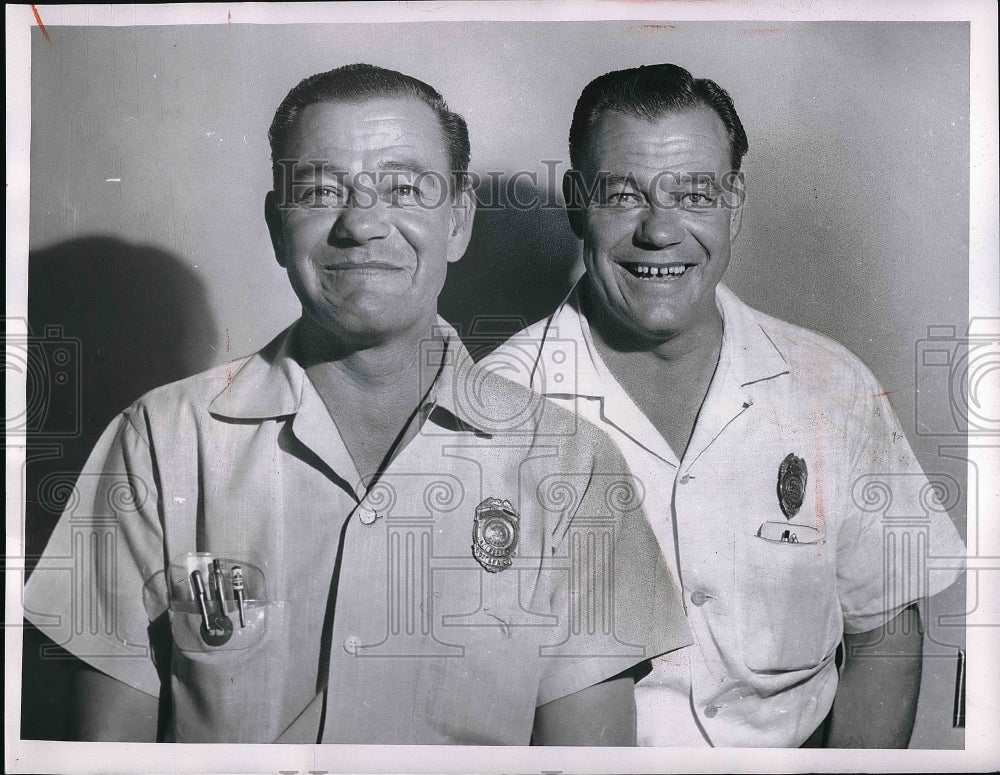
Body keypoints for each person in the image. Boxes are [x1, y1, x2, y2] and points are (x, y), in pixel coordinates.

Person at [21, 64, 692, 744]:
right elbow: (104, 758)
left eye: (404, 187)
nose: (362, 222)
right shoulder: (160, 445)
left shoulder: (575, 470)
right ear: (279, 225)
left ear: (459, 221)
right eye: (319, 188)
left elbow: (585, 762)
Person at [484, 63, 966, 748]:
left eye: (694, 193)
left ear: (735, 201)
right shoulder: (497, 411)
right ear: (575, 201)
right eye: (623, 195)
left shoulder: (833, 386)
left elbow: (885, 626)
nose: (660, 230)